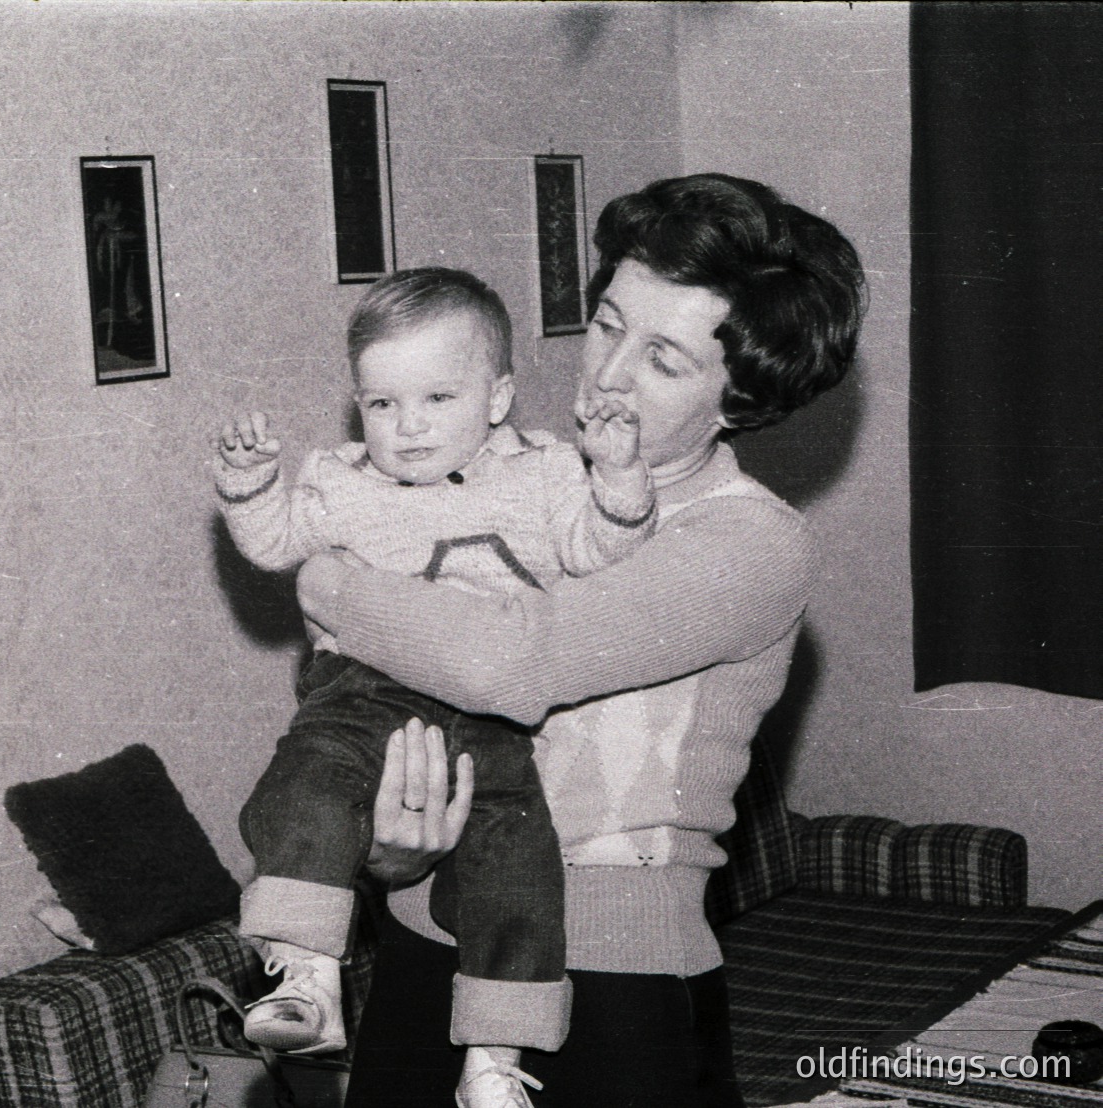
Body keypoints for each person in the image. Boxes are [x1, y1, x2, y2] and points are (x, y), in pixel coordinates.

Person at [297, 173, 866, 1108]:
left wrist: (322, 575)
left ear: (741, 400)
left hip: (610, 978)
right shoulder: (497, 477)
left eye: (663, 359)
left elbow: (507, 662)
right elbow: (357, 695)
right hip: (420, 947)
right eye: (607, 325)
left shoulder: (752, 542)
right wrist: (387, 851)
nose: (606, 374)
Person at [215, 267, 656, 1105]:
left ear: (497, 399)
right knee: (305, 790)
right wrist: (251, 484)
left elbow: (604, 553)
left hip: (491, 719)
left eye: (437, 400)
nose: (407, 427)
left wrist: (621, 477)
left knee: (520, 871)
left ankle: (495, 1061)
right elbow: (275, 544)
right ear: (358, 407)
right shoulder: (343, 480)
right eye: (382, 405)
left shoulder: (547, 472)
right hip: (363, 692)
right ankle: (307, 972)